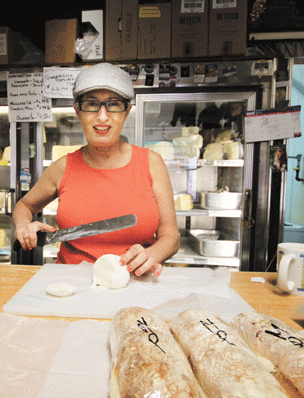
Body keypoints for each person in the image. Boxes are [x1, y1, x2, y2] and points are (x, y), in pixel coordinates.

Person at [12, 63, 179, 277]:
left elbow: (171, 237)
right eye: (91, 104)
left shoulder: (151, 163)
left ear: (126, 112)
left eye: (114, 104)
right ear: (78, 111)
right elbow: (24, 205)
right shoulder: (63, 167)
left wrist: (152, 255)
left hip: (134, 282)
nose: (102, 116)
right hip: (72, 286)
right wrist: (23, 224)